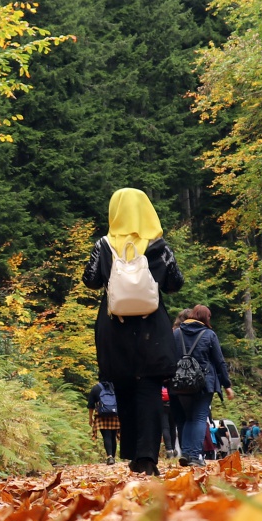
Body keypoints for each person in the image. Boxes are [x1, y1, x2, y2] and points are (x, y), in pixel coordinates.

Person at [83, 188, 184, 476]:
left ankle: (132, 454)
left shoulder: (104, 245)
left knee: (124, 389)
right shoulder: (159, 246)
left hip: (116, 329)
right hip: (152, 328)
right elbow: (175, 284)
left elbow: (90, 280)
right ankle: (147, 456)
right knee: (150, 391)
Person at [169, 304, 233, 468]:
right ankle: (196, 455)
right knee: (198, 418)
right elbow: (219, 361)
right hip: (204, 383)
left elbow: (169, 358)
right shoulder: (209, 334)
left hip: (181, 383)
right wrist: (227, 385)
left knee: (189, 418)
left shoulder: (176, 334)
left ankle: (187, 453)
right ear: (205, 317)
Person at [88, 381, 119, 464]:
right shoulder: (115, 386)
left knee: (106, 435)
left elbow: (91, 405)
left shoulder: (96, 388)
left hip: (101, 416)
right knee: (113, 436)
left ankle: (110, 456)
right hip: (115, 414)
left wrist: (90, 418)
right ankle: (113, 457)